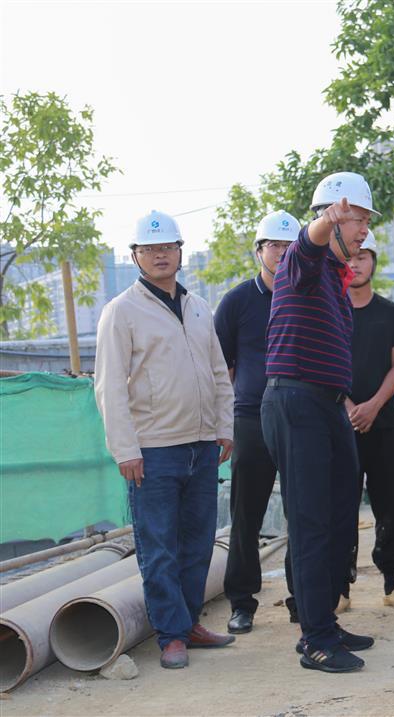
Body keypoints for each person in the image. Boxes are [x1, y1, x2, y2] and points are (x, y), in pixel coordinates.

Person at [94, 210, 235, 670]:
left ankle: (189, 623)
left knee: (198, 543)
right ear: (135, 255)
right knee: (158, 548)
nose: (160, 255)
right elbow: (109, 386)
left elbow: (218, 372)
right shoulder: (121, 312)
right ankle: (171, 635)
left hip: (201, 446)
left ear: (180, 252)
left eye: (168, 247)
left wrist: (224, 427)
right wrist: (125, 449)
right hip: (153, 451)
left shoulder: (198, 308)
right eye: (150, 249)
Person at [261, 172, 377, 674]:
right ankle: (315, 640)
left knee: (338, 518)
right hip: (296, 402)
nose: (364, 231)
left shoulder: (335, 277)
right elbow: (308, 246)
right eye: (358, 220)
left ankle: (324, 618)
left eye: (367, 222)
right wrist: (325, 223)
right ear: (333, 216)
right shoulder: (300, 261)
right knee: (310, 522)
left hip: (328, 405)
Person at [215, 210, 298, 634]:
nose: (281, 253)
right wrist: (222, 423)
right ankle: (242, 602)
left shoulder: (310, 295)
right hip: (250, 417)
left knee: (303, 513)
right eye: (273, 245)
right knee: (246, 514)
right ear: (259, 251)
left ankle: (303, 599)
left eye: (289, 245)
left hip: (300, 418)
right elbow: (220, 367)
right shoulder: (237, 301)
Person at [344, 230, 394, 609]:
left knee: (390, 504)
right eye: (349, 257)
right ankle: (340, 587)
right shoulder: (327, 311)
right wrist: (349, 407)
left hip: (385, 424)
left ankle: (392, 582)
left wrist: (372, 405)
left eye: (363, 256)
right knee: (341, 507)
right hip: (340, 427)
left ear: (373, 262)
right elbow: (321, 366)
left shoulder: (392, 313)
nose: (355, 264)